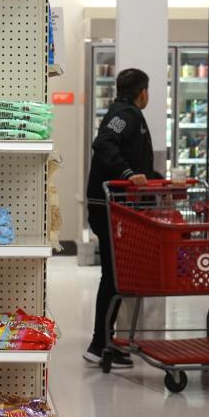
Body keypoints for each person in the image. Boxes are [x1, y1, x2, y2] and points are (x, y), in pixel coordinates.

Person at [83, 68, 161, 368]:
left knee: (115, 276)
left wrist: (156, 179)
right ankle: (99, 344)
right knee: (113, 277)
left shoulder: (125, 113)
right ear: (143, 92)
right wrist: (127, 173)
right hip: (108, 207)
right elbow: (104, 143)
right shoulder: (126, 115)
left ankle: (104, 339)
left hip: (113, 207)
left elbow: (135, 162)